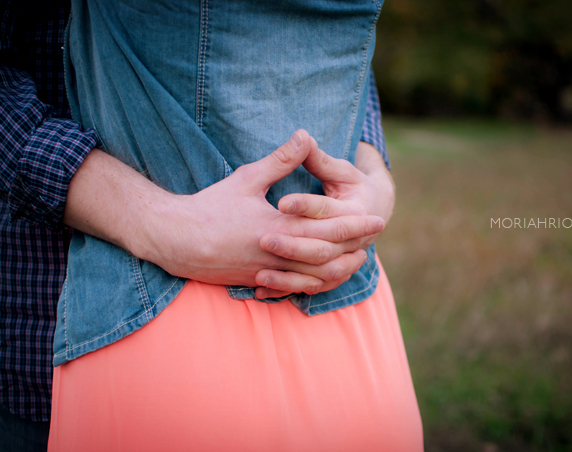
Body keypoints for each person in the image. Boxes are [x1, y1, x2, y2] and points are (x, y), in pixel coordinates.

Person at [0, 2, 396, 452]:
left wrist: (374, 184)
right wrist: (160, 224)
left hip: (341, 309)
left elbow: (345, 58)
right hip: (96, 314)